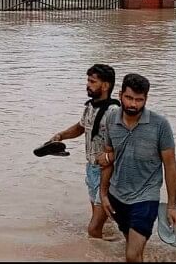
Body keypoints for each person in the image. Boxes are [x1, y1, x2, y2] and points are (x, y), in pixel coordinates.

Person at [99, 73, 176, 262]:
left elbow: (170, 165)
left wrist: (172, 206)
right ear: (120, 95)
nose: (133, 104)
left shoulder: (160, 125)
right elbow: (107, 159)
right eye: (129, 98)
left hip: (146, 197)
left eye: (139, 100)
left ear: (146, 99)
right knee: (134, 252)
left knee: (131, 255)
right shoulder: (111, 119)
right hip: (117, 195)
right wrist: (103, 194)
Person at [49, 64, 120, 238]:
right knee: (106, 220)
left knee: (93, 228)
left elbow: (124, 144)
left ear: (105, 86)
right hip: (91, 169)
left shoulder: (114, 113)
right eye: (88, 80)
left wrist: (110, 159)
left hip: (107, 172)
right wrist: (60, 136)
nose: (87, 85)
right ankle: (115, 246)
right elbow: (81, 127)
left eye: (92, 81)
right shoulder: (90, 107)